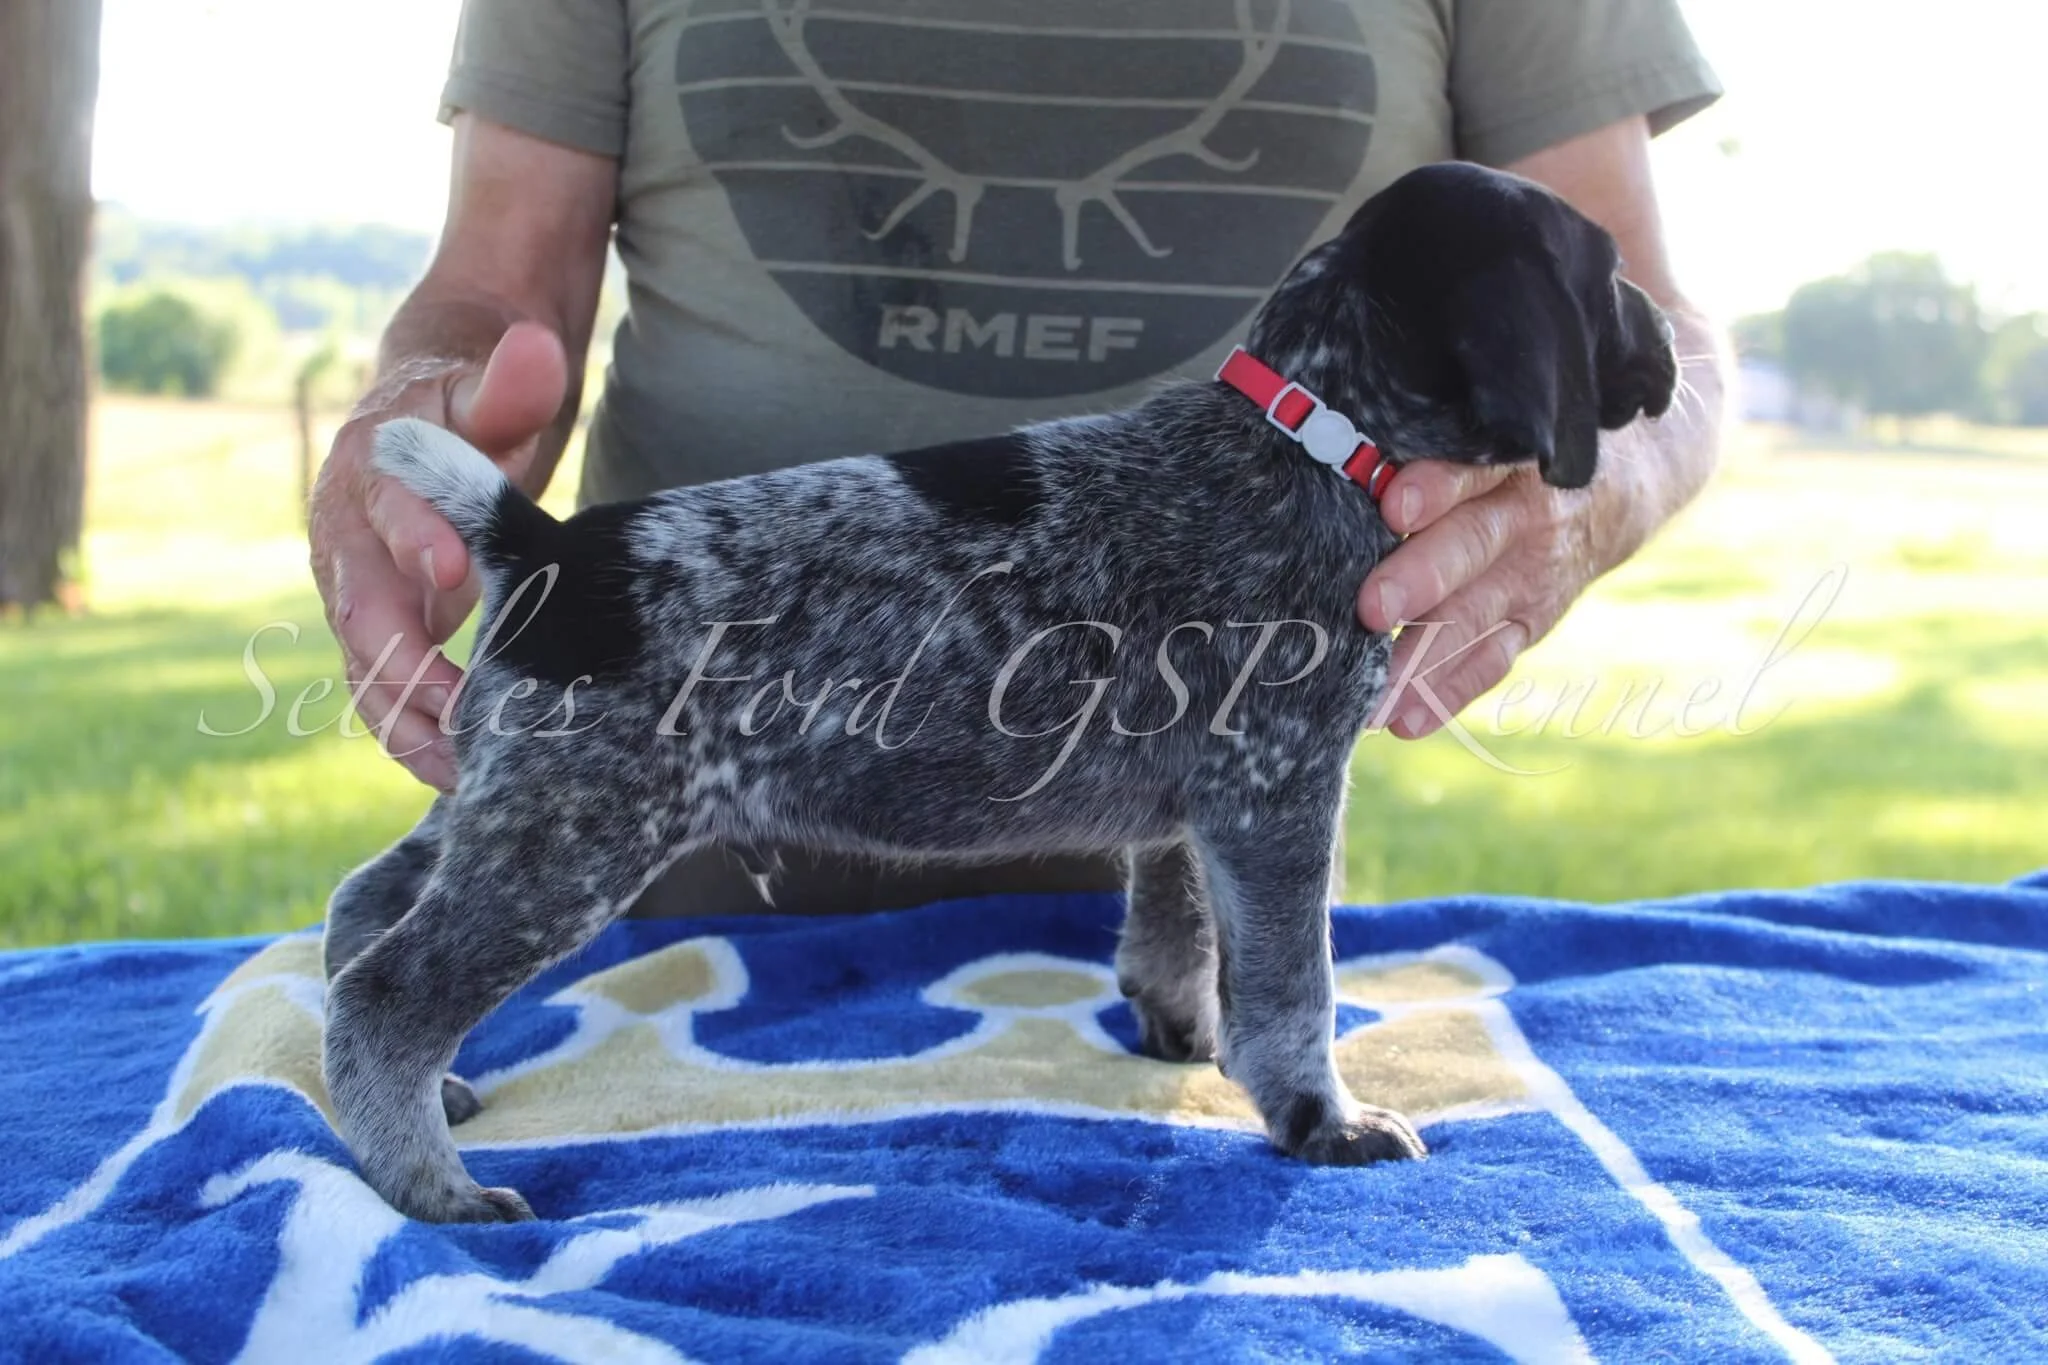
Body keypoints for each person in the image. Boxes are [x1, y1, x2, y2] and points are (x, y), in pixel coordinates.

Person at [310, 0, 1726, 915]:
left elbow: (1644, 327)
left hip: (1214, 829)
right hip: (677, 782)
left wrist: (1588, 498)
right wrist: (424, 411)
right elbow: (499, 279)